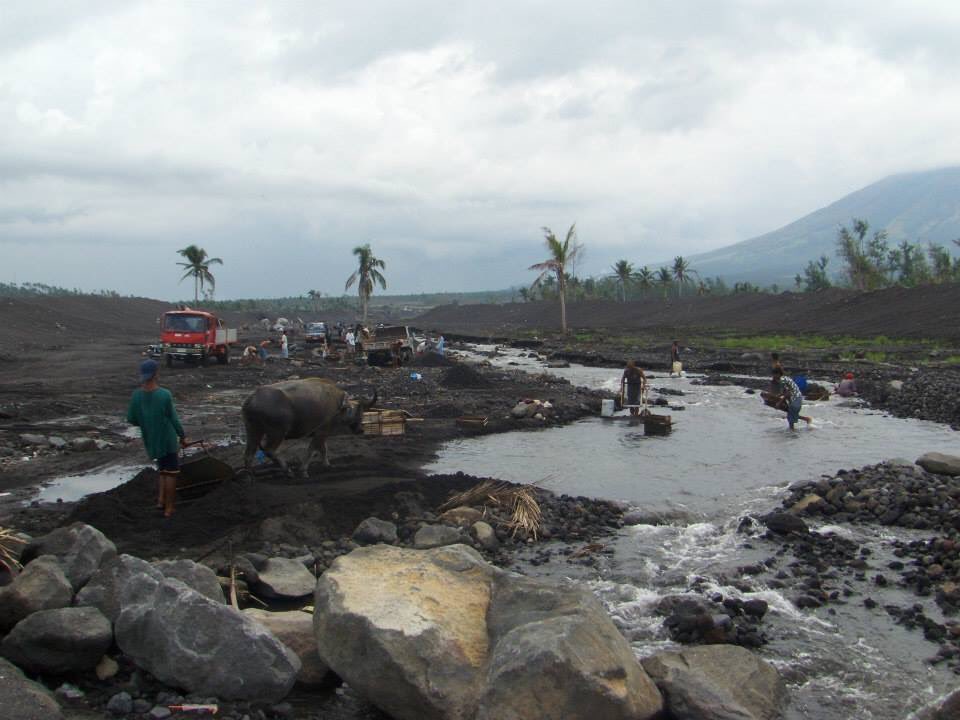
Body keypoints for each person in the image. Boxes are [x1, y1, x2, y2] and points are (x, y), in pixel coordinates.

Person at [126, 359, 188, 518]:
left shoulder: (136, 395)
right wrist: (182, 436)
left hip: (151, 439)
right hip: (167, 439)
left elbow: (131, 419)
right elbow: (174, 419)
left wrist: (147, 422)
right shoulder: (164, 394)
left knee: (162, 469)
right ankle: (169, 508)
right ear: (155, 374)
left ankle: (160, 501)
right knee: (171, 473)